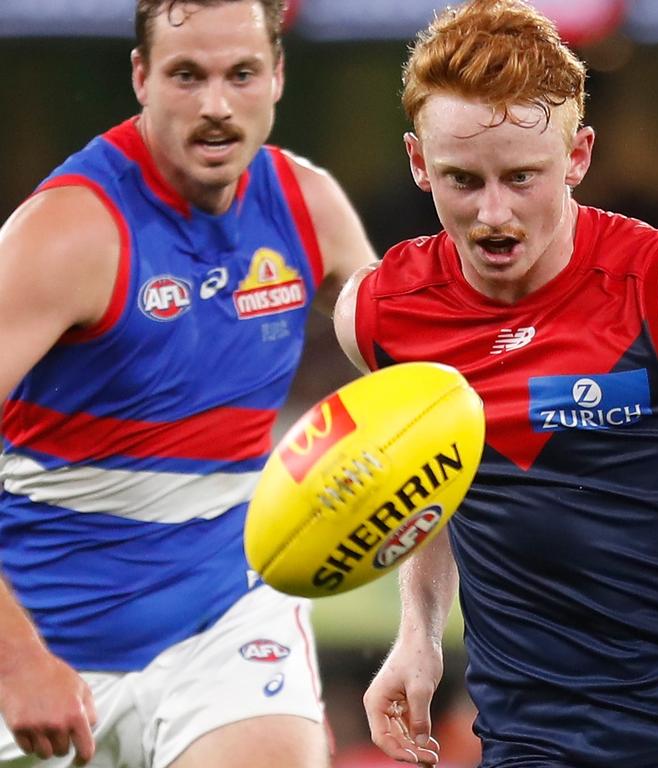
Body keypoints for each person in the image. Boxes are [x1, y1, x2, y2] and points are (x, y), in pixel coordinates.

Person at [335, 1, 658, 766]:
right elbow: (435, 482)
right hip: (537, 741)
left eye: (523, 177)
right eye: (462, 180)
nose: (493, 213)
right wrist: (417, 635)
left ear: (578, 155)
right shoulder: (381, 316)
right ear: (419, 162)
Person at [0, 1, 376, 766]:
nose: (215, 105)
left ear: (277, 76)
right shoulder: (67, 232)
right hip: (43, 648)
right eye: (186, 76)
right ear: (141, 78)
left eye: (240, 74)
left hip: (223, 624)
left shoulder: (310, 210)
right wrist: (16, 662)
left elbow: (419, 372)